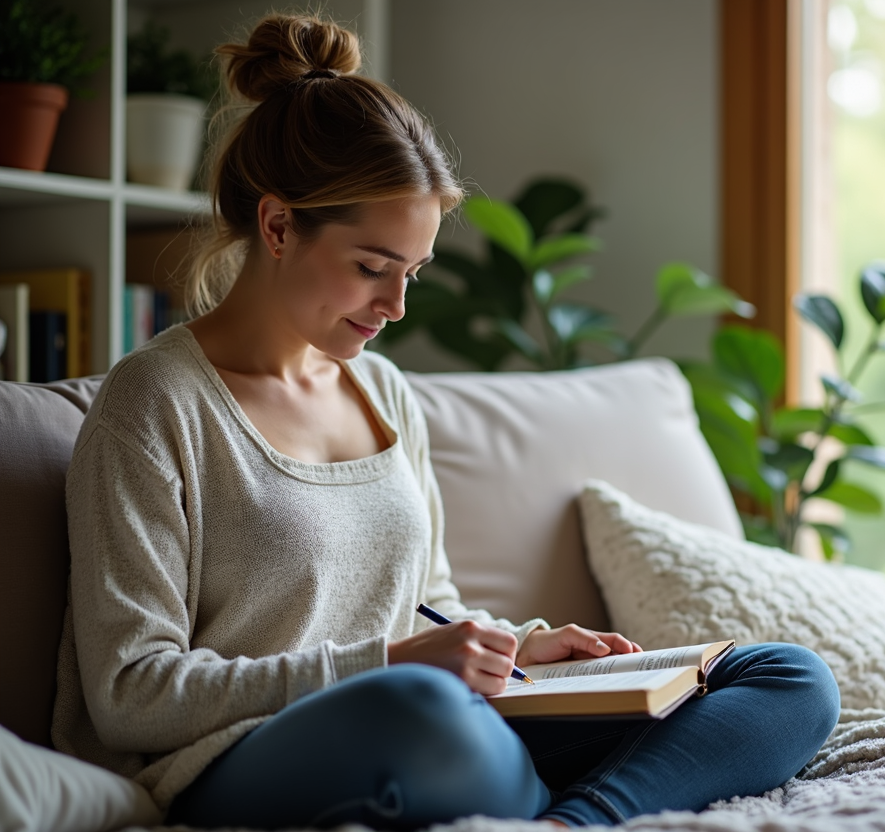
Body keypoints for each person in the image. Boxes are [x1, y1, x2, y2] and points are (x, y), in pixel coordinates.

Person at [51, 12, 840, 830]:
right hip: (254, 752)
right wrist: (391, 665)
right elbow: (129, 695)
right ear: (278, 225)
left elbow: (428, 607)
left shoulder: (383, 393)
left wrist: (520, 647)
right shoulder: (152, 404)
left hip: (434, 717)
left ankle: (579, 821)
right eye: (371, 268)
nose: (395, 306)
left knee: (785, 678)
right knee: (426, 713)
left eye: (413, 273)